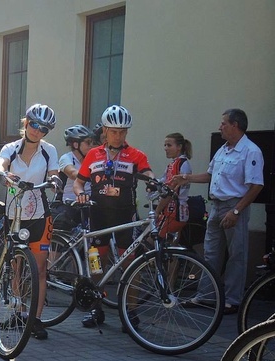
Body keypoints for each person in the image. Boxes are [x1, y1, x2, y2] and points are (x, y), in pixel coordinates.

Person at [171, 108, 264, 315]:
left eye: (223, 123)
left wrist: (237, 212)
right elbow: (210, 175)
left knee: (236, 254)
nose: (220, 127)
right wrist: (185, 178)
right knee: (211, 252)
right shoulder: (223, 149)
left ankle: (233, 300)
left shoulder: (251, 151)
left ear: (235, 125)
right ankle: (205, 296)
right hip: (217, 206)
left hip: (235, 206)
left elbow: (256, 185)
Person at [73, 105, 155, 328]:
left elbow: (147, 172)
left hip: (125, 216)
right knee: (97, 263)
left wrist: (153, 182)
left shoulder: (136, 155)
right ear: (105, 131)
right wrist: (80, 194)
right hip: (98, 214)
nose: (118, 136)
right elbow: (78, 182)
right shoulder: (93, 154)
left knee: (131, 263)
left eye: (122, 131)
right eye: (113, 131)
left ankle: (130, 312)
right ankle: (95, 309)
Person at [0, 103, 59, 340]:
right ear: (26, 123)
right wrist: (3, 173)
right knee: (17, 267)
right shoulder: (11, 147)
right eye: (34, 125)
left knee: (40, 269)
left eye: (43, 129)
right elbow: (1, 165)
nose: (37, 131)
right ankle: (20, 313)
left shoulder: (49, 150)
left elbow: (53, 172)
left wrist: (55, 180)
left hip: (40, 215)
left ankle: (36, 319)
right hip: (14, 213)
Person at [54, 125, 94, 230]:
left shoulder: (92, 158)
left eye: (92, 142)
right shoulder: (66, 158)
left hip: (88, 202)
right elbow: (72, 173)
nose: (91, 145)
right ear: (76, 144)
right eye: (88, 142)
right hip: (70, 203)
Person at [156, 133, 193, 239]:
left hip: (175, 212)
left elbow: (170, 191)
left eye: (169, 145)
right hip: (173, 211)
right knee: (169, 247)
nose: (165, 148)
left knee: (152, 243)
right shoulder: (174, 163)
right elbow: (162, 183)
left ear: (179, 147)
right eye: (165, 145)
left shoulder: (180, 164)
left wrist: (157, 210)